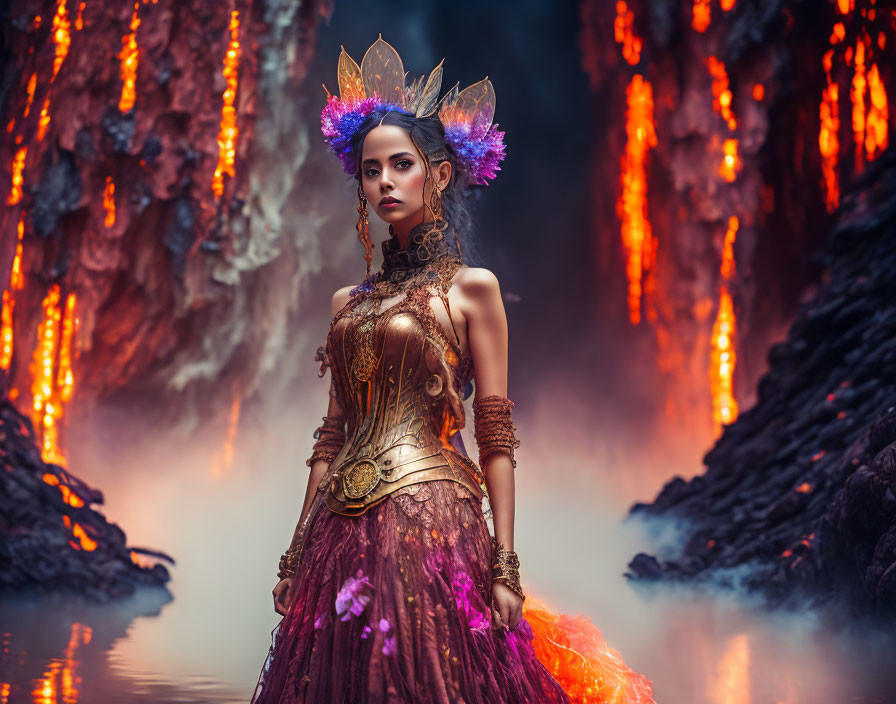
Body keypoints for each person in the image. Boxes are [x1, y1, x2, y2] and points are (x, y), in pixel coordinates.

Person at [251, 36, 654, 704]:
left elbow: (496, 434)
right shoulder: (346, 302)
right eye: (371, 169)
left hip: (432, 527)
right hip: (339, 533)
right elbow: (329, 438)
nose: (383, 181)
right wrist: (294, 556)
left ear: (437, 175)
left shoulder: (474, 290)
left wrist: (506, 568)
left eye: (401, 165)